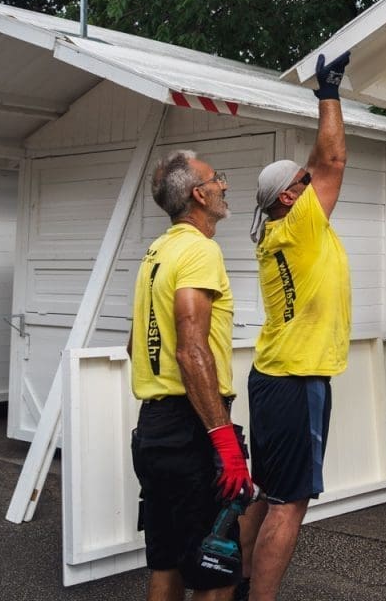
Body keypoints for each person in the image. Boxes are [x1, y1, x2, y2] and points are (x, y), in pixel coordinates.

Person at [237, 51, 352, 601]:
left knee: (268, 492)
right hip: (296, 380)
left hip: (271, 377)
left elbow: (321, 167)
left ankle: (232, 587)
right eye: (304, 183)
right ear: (289, 197)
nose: (315, 184)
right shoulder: (300, 224)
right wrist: (328, 91)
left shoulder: (277, 235)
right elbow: (331, 158)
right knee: (289, 502)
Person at [129, 150, 253, 601]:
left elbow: (135, 345)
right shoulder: (201, 250)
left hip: (154, 431)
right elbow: (191, 349)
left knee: (168, 566)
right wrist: (224, 443)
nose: (225, 185)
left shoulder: (157, 253)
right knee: (216, 572)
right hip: (191, 432)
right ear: (199, 195)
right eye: (217, 179)